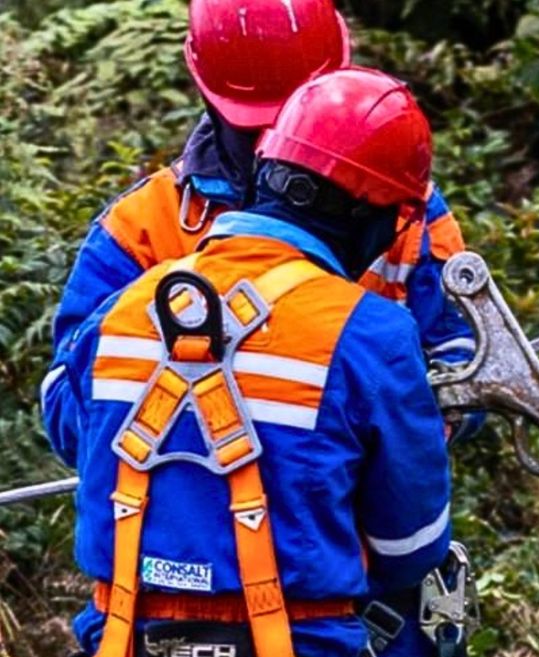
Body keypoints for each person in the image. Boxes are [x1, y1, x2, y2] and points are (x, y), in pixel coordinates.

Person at [41, 68, 450, 657]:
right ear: (370, 212)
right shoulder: (371, 334)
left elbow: (72, 433)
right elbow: (409, 546)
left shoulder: (121, 310)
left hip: (122, 654)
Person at [49, 0, 474, 383]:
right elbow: (69, 389)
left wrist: (409, 419)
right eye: (261, 126)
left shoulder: (393, 203)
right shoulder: (141, 227)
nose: (278, 142)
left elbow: (464, 350)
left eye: (297, 117)